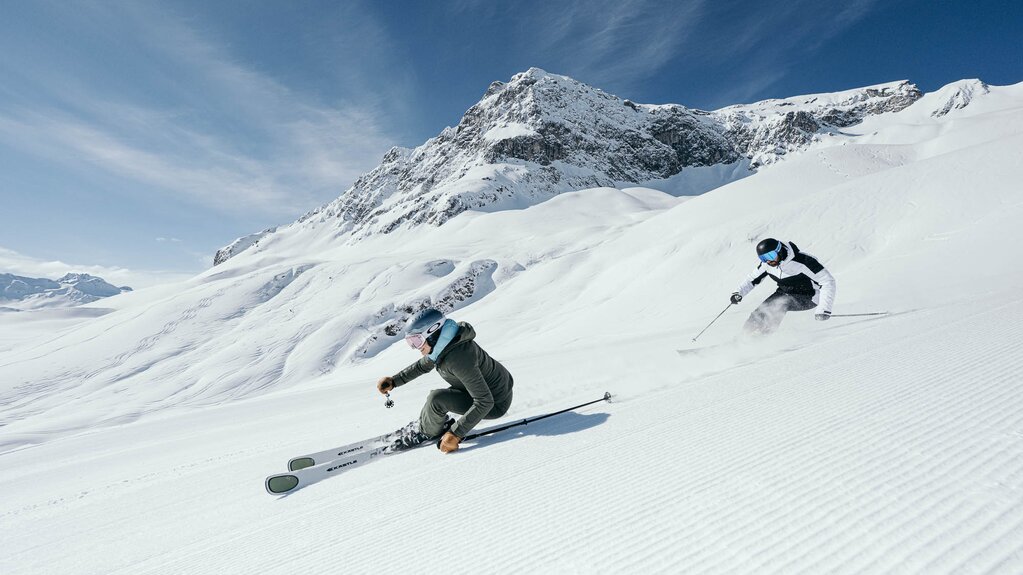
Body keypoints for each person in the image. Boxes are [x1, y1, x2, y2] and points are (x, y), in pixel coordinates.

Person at [377, 308, 514, 453]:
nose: (415, 347)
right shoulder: (445, 345)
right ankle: (429, 424)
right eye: (411, 342)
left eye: (417, 340)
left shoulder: (459, 358)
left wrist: (455, 434)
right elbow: (422, 366)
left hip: (496, 401)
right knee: (435, 400)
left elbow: (485, 401)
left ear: (433, 333)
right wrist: (394, 381)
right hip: (480, 390)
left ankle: (426, 432)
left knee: (436, 399)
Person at [730, 238, 836, 335]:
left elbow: (827, 281)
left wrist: (824, 309)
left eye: (770, 256)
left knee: (779, 305)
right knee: (759, 313)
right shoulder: (767, 265)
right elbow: (752, 279)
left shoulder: (804, 261)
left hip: (809, 296)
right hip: (784, 292)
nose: (768, 260)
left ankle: (761, 338)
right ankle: (742, 337)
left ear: (779, 250)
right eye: (763, 258)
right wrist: (739, 293)